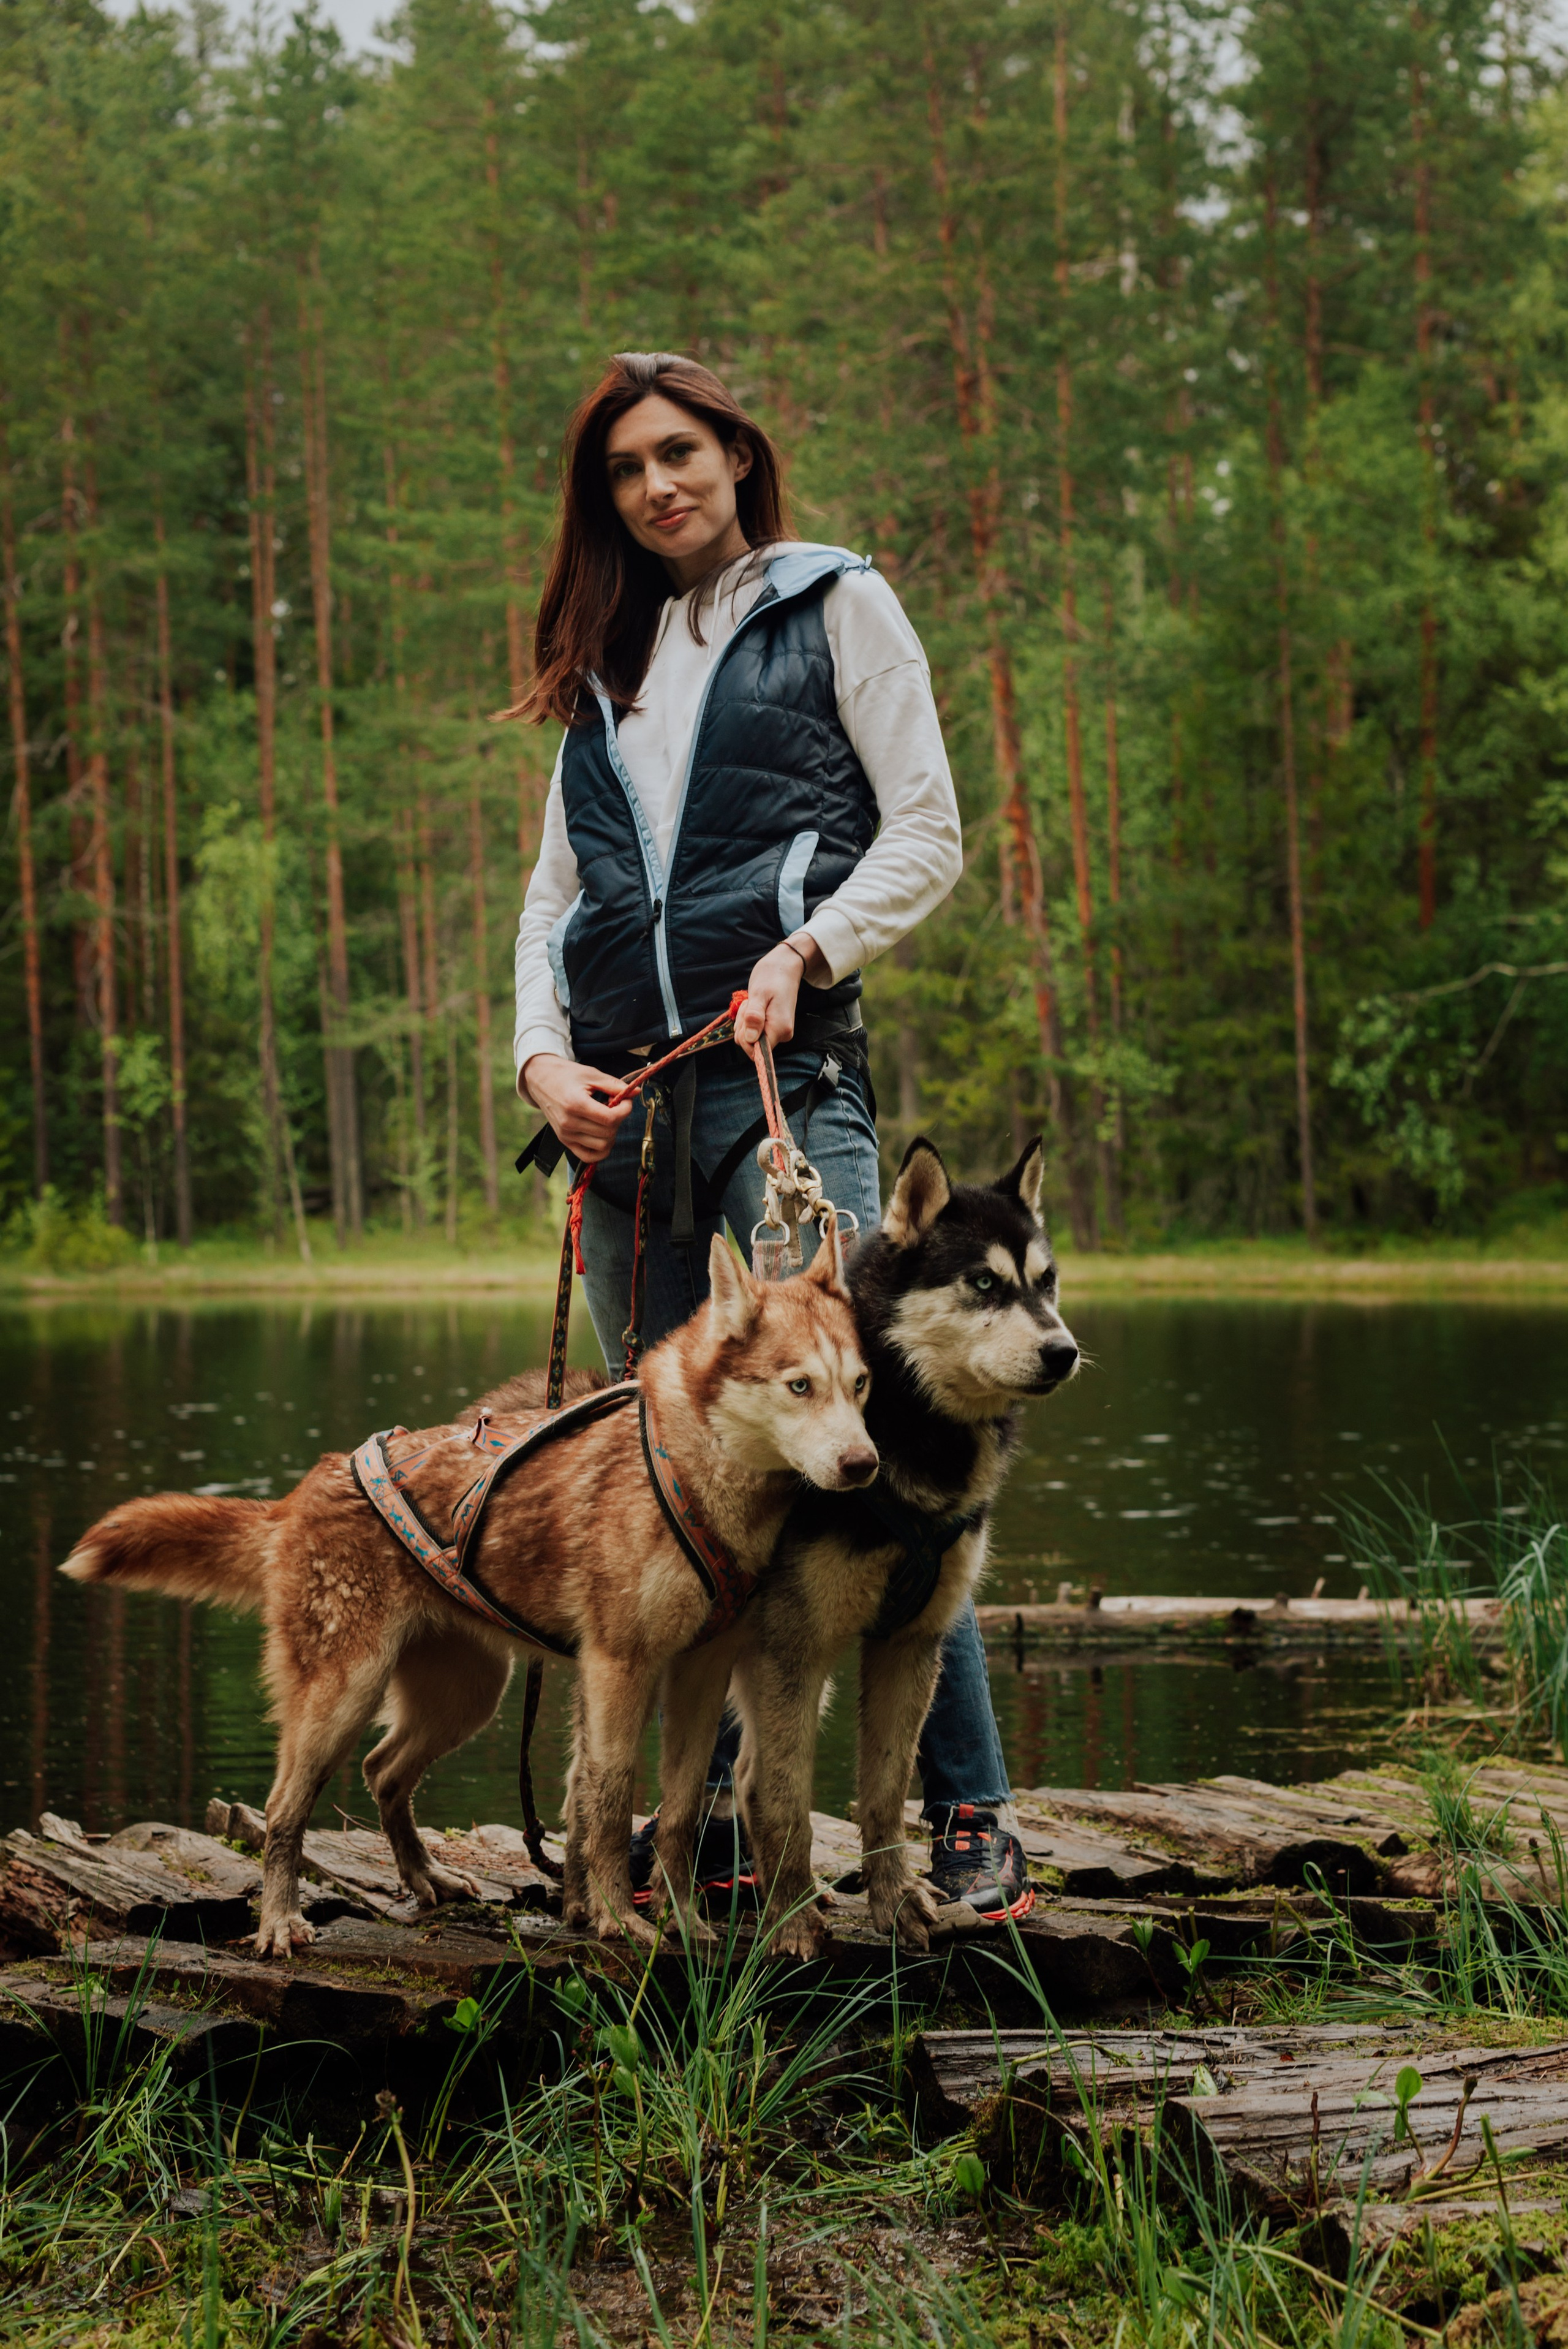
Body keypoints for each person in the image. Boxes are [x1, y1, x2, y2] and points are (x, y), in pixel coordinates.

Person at [508, 351, 1030, 1920]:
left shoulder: (833, 606)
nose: (655, 486)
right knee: (675, 1468)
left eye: (678, 452)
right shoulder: (605, 665)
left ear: (737, 453)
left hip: (781, 1084)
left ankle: (965, 1812)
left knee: (877, 1448)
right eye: (622, 470)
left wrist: (807, 954)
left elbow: (926, 827)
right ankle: (709, 1822)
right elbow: (556, 903)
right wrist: (540, 1061)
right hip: (617, 1108)